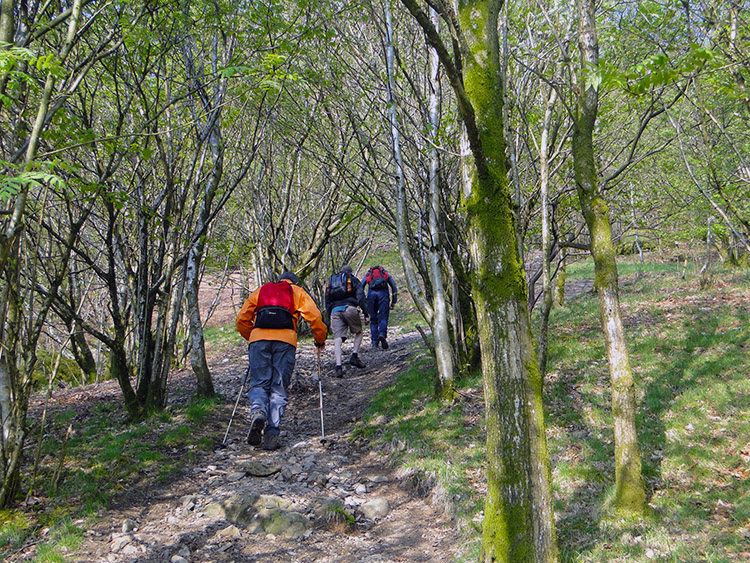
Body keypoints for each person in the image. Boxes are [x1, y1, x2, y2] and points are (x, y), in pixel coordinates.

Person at [236, 271, 327, 451]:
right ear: (294, 282)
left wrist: (252, 337)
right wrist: (320, 339)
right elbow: (315, 317)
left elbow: (242, 319)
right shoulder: (297, 292)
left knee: (259, 383)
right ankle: (272, 433)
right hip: (285, 341)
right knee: (278, 386)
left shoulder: (261, 291)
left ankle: (258, 411)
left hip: (258, 340)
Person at [325, 265, 368, 377]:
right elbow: (361, 296)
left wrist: (329, 316)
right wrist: (366, 313)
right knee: (358, 332)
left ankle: (338, 366)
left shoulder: (332, 281)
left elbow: (327, 300)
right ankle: (354, 356)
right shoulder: (352, 279)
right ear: (351, 272)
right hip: (350, 308)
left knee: (337, 339)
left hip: (335, 311)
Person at [362, 265, 398, 350]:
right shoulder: (385, 274)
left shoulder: (368, 274)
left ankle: (374, 342)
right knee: (383, 317)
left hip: (371, 297)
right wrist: (394, 301)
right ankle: (382, 334)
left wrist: (363, 302)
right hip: (383, 296)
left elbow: (361, 287)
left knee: (373, 319)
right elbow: (394, 287)